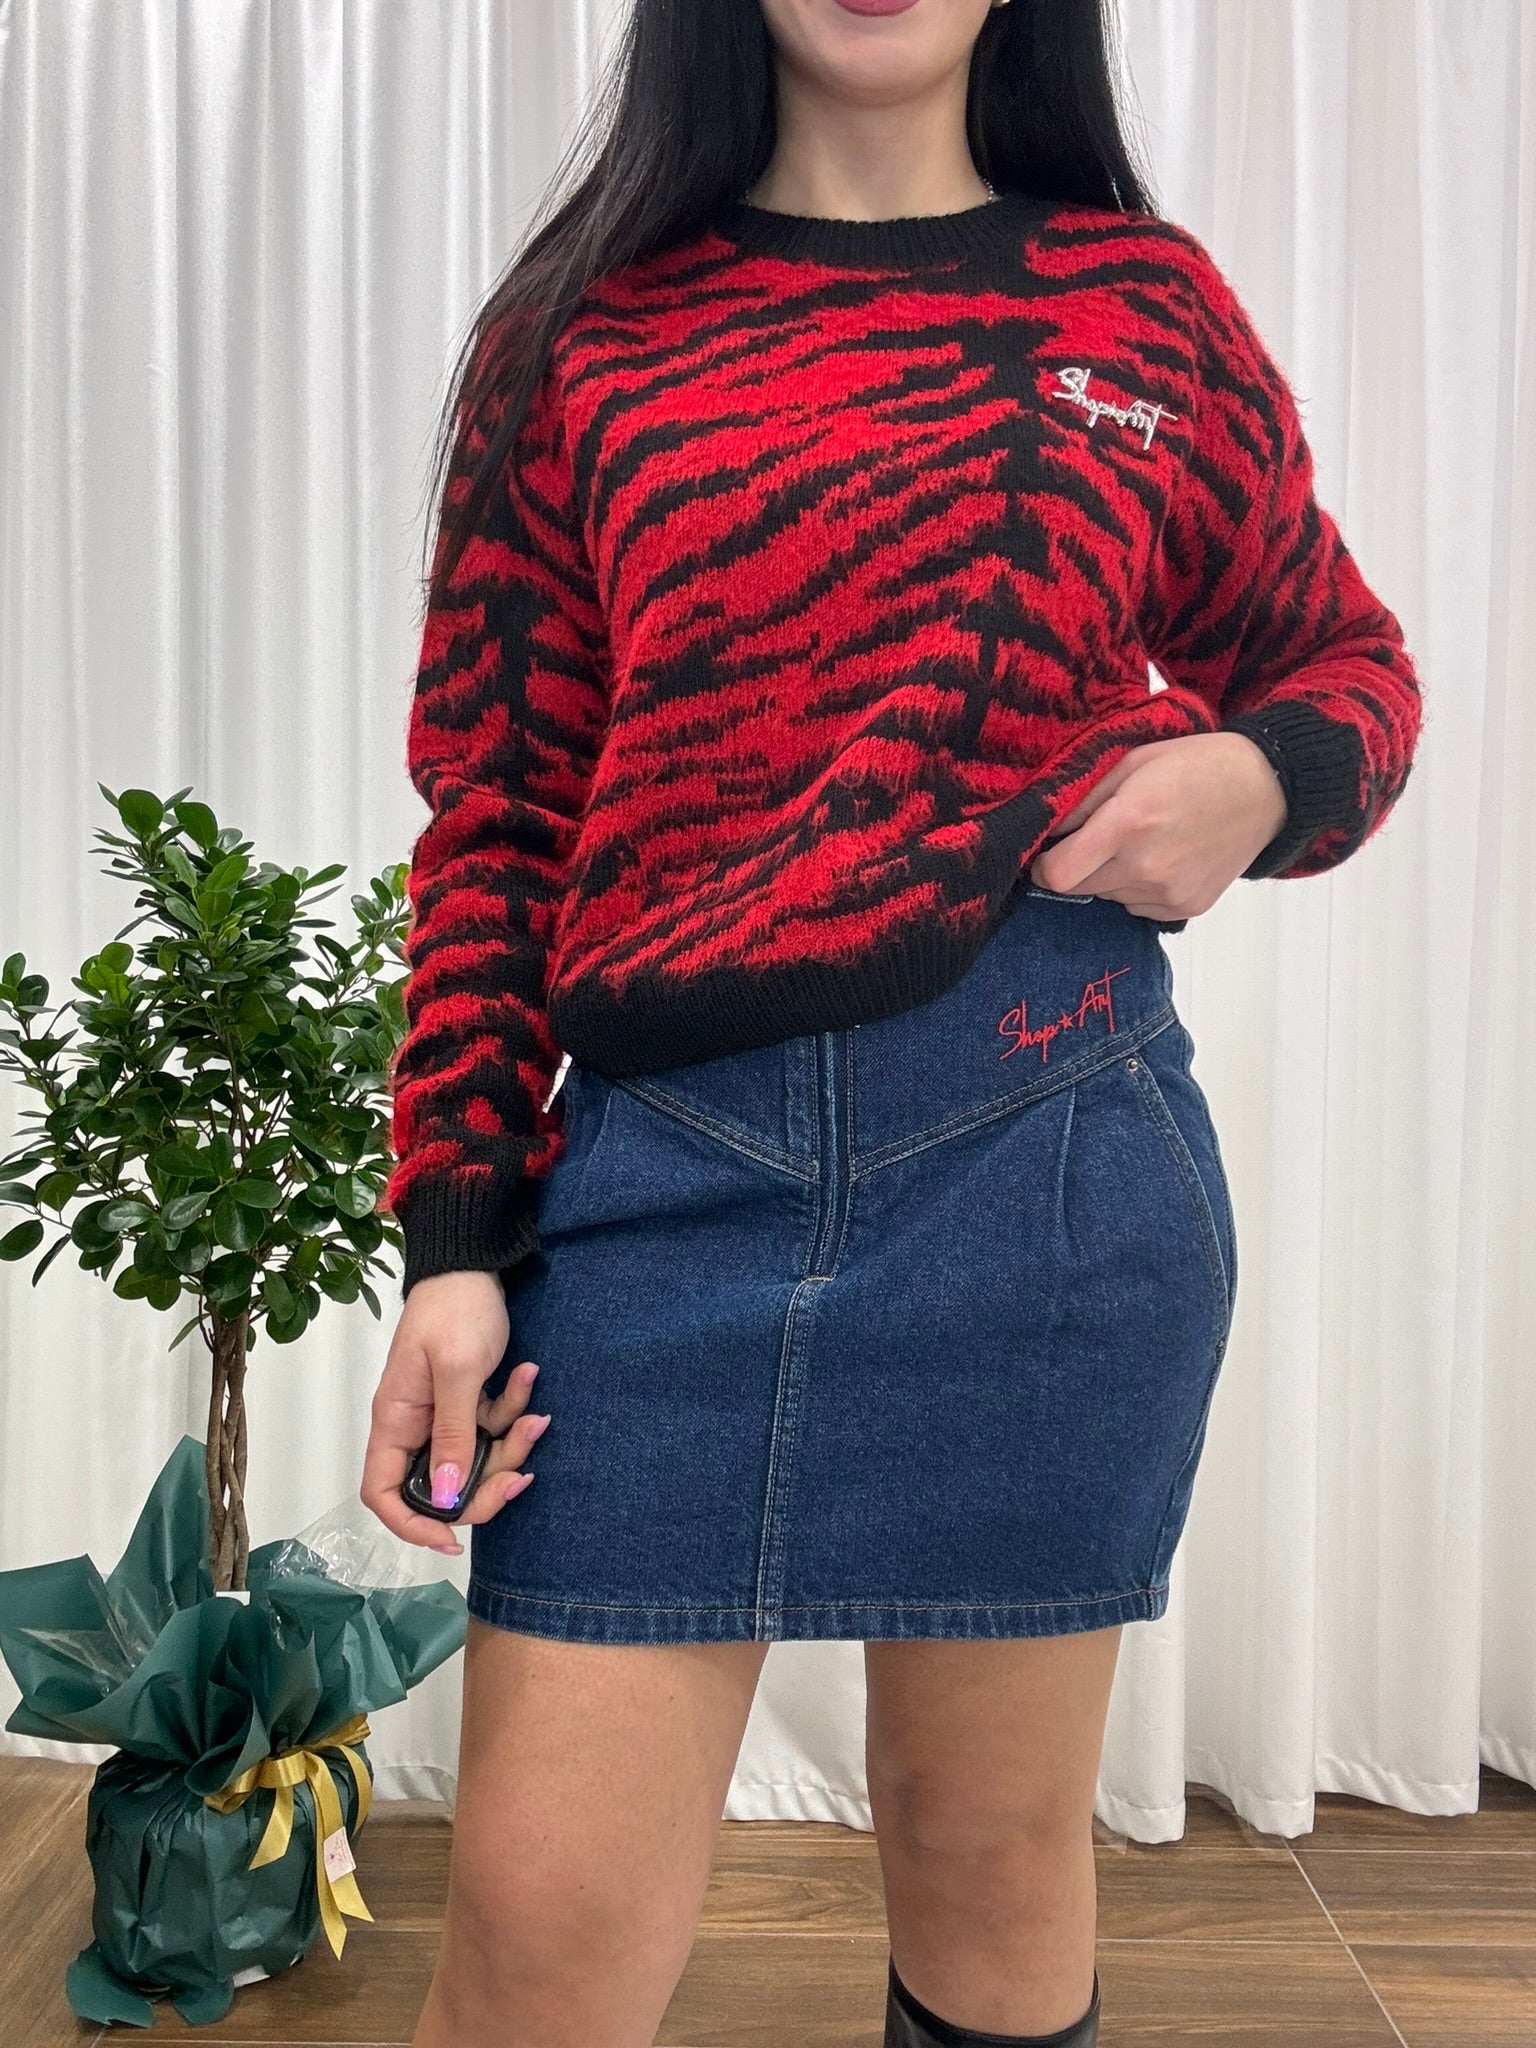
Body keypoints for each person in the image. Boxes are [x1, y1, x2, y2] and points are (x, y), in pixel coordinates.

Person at [360, 3, 1423, 2044]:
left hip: (1048, 1162)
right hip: (660, 1191)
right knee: (534, 1934)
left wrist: (1256, 777)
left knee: (991, 1865)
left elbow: (1347, 665)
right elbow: (494, 813)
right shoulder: (576, 336)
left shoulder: (1139, 304)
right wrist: (458, 1241)